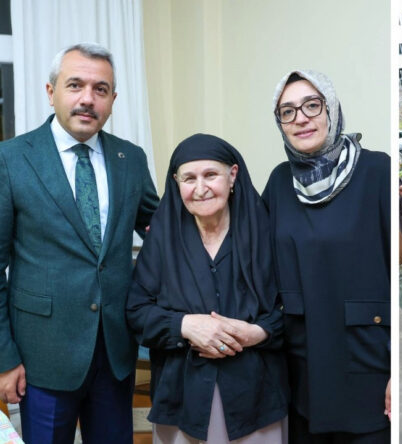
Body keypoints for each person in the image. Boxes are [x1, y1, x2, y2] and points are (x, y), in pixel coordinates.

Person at [0, 43, 159, 442]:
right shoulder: (11, 159)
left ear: (113, 100)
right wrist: (4, 359)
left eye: (100, 89)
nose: (88, 99)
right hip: (41, 359)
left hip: (115, 354)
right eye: (75, 85)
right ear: (51, 91)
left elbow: (163, 234)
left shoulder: (131, 159)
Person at [126, 134, 286, 443]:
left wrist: (259, 333)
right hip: (182, 399)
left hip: (256, 399)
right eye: (189, 178)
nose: (200, 188)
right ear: (176, 183)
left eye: (210, 175)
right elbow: (136, 311)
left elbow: (293, 308)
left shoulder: (265, 232)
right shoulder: (161, 239)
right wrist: (185, 325)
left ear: (233, 175)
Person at [262, 70, 390, 442]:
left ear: (331, 109)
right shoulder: (278, 183)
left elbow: (400, 274)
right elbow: (252, 258)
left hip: (368, 370)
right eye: (287, 111)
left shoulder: (376, 171)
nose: (300, 118)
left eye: (311, 105)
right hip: (302, 373)